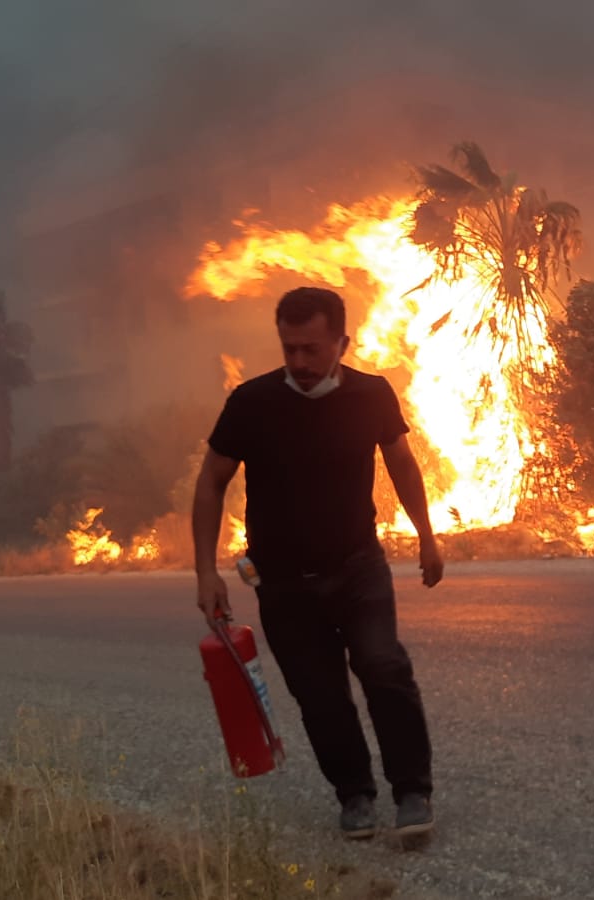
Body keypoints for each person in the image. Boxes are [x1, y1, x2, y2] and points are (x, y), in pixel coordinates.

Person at [192, 286, 444, 840]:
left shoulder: (372, 395)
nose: (299, 362)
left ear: (341, 342)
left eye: (310, 348)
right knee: (320, 694)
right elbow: (211, 481)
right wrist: (206, 572)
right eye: (289, 349)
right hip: (282, 584)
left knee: (383, 666)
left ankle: (412, 791)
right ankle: (354, 795)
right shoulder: (251, 403)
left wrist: (427, 535)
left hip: (358, 567)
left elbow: (401, 463)